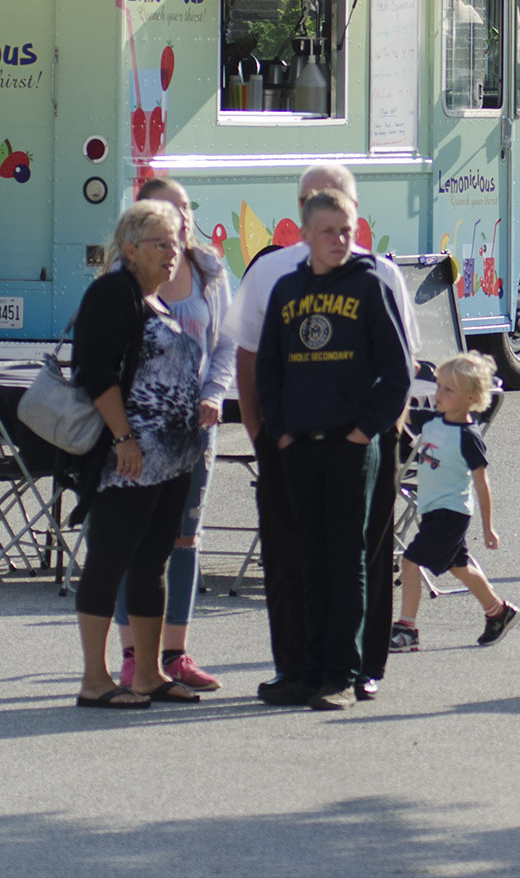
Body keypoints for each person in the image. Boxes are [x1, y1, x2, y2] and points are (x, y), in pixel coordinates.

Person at [225, 164, 417, 706]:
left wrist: (367, 430)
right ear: (303, 226)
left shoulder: (375, 278)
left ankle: (344, 673)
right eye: (327, 226)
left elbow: (400, 367)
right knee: (302, 560)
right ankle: (302, 670)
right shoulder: (281, 283)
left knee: (351, 560)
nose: (339, 238)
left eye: (346, 227)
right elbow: (264, 364)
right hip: (296, 446)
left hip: (355, 445)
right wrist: (276, 434)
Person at [70, 200, 210, 708]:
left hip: (170, 461)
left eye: (176, 243)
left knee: (151, 563)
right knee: (108, 560)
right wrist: (125, 439)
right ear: (130, 249)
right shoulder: (113, 292)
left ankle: (148, 674)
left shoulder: (155, 301)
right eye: (161, 243)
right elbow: (96, 370)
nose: (173, 253)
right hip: (127, 458)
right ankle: (94, 679)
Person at [110, 177, 235, 695]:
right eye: (167, 209)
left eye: (185, 207)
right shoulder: (125, 276)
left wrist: (214, 392)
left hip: (194, 430)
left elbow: (227, 342)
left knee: (184, 539)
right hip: (139, 432)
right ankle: (134, 657)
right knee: (133, 542)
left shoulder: (209, 269)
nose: (181, 218)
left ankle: (176, 654)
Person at [392, 353, 518, 650]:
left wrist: (488, 528)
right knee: (459, 567)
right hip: (433, 510)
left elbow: (481, 483)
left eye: (448, 390)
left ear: (471, 397)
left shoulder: (468, 436)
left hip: (451, 513)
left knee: (410, 562)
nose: (438, 395)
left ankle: (406, 629)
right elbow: (401, 411)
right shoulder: (432, 422)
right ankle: (498, 611)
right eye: (438, 387)